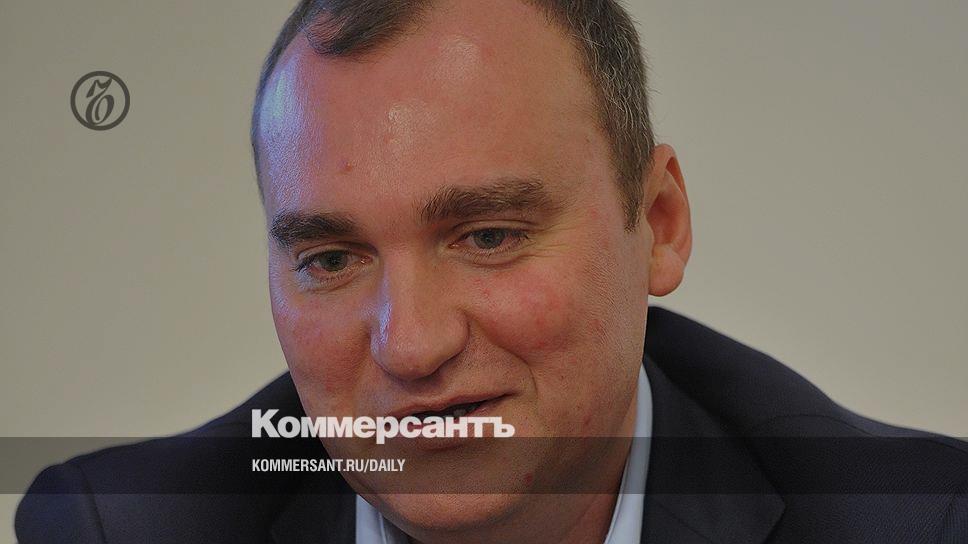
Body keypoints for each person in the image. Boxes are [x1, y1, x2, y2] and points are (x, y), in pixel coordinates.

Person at [16, 1, 968, 542]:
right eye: (332, 258)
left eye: (488, 237)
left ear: (660, 226)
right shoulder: (125, 532)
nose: (412, 345)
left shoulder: (912, 525)